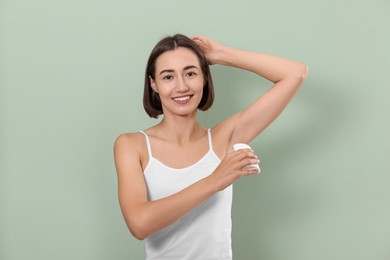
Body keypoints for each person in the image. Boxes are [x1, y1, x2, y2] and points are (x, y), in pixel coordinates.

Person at [114, 34, 307, 259]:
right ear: (153, 84)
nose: (182, 86)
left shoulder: (223, 139)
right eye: (168, 77)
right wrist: (214, 181)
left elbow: (295, 73)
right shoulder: (132, 145)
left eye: (191, 73)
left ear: (204, 78)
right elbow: (139, 224)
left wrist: (222, 55)